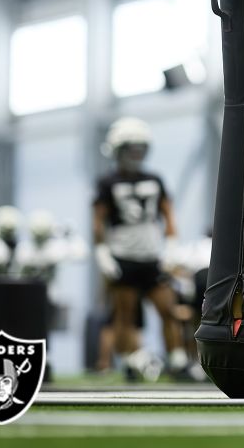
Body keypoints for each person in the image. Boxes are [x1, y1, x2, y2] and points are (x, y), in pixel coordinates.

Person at [91, 117, 193, 381]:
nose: (136, 153)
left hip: (152, 256)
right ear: (117, 149)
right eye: (130, 147)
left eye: (140, 147)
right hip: (123, 256)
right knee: (125, 316)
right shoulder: (107, 183)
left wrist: (171, 245)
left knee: (168, 310)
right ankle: (130, 361)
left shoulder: (154, 179)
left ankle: (177, 361)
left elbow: (167, 213)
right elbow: (98, 220)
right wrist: (102, 252)